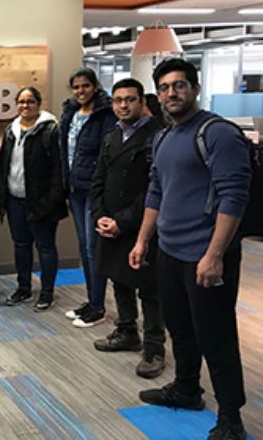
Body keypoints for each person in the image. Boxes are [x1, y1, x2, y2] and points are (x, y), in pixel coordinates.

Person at [129, 58, 251, 440]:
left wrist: (214, 255)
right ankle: (186, 389)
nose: (171, 93)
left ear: (195, 88)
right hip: (169, 251)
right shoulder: (164, 137)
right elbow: (156, 191)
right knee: (179, 329)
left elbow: (234, 196)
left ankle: (231, 416)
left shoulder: (218, 134)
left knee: (215, 335)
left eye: (179, 85)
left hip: (206, 254)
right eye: (164, 87)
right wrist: (143, 239)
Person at [89, 78, 166, 379]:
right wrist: (100, 217)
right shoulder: (112, 136)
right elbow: (98, 179)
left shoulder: (157, 135)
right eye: (118, 100)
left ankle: (154, 347)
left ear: (142, 101)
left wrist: (122, 221)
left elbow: (154, 189)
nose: (123, 105)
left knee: (149, 288)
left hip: (140, 223)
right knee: (118, 278)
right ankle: (126, 331)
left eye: (130, 99)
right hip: (109, 222)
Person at [0, 86, 67, 311]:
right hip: (15, 199)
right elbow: (5, 165)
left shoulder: (50, 129)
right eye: (21, 102)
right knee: (21, 246)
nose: (25, 106)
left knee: (45, 247)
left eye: (30, 102)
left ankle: (47, 292)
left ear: (38, 104)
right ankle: (23, 288)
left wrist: (52, 199)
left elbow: (59, 168)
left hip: (41, 201)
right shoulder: (10, 130)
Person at [59, 68, 116, 328]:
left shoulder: (105, 114)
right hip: (74, 188)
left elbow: (107, 153)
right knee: (84, 247)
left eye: (85, 86)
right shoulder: (70, 112)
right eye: (76, 87)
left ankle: (98, 307)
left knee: (94, 250)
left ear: (95, 86)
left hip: (94, 191)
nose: (80, 91)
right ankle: (91, 299)